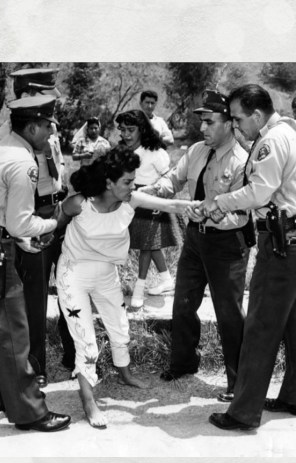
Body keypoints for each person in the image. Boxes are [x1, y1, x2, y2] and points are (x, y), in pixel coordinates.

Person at [200, 84, 296, 431]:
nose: (235, 127)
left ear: (258, 115)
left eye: (237, 119)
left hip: (286, 242)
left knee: (261, 326)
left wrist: (220, 202)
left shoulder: (269, 141)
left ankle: (243, 412)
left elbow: (258, 192)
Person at [54, 145, 199, 428]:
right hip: (73, 274)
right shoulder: (79, 204)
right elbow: (55, 224)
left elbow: (170, 205)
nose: (133, 186)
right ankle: (89, 402)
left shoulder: (131, 200)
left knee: (120, 329)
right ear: (108, 182)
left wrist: (197, 207)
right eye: (127, 181)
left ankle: (125, 374)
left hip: (107, 274)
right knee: (86, 342)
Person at [0, 95, 71, 433]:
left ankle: (8, 399)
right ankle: (31, 413)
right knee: (13, 334)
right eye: (49, 124)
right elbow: (23, 223)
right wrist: (58, 220)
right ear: (33, 126)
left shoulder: (3, 147)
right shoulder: (24, 163)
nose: (53, 130)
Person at [142, 90, 250, 403]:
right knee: (183, 303)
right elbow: (171, 182)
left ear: (230, 123)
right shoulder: (196, 151)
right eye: (201, 122)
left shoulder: (242, 162)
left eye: (210, 122)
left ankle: (238, 380)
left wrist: (211, 211)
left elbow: (242, 215)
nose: (203, 128)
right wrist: (146, 191)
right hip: (195, 239)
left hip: (227, 243)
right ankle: (184, 363)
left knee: (229, 313)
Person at [6, 68, 77, 377]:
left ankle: (77, 357)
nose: (54, 104)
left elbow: (57, 171)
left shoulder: (48, 130)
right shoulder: (16, 140)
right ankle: (36, 365)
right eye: (47, 96)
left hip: (59, 211)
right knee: (34, 298)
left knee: (71, 288)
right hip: (34, 217)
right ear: (27, 95)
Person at [116, 109, 182, 308]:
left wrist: (156, 193)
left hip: (152, 201)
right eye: (123, 130)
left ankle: (139, 287)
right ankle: (166, 279)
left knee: (147, 244)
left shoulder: (155, 152)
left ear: (142, 129)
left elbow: (168, 178)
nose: (126, 134)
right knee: (148, 243)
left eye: (131, 130)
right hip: (130, 199)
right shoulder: (122, 149)